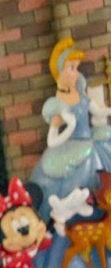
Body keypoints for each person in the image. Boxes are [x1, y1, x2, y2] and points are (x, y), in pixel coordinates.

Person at [30, 38, 111, 202]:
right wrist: (69, 128)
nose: (76, 73)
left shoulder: (80, 91)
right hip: (73, 148)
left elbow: (96, 110)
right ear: (60, 71)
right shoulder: (58, 104)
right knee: (77, 183)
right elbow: (52, 141)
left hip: (91, 139)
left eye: (76, 67)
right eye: (71, 68)